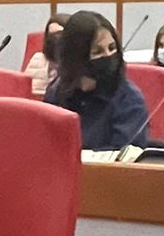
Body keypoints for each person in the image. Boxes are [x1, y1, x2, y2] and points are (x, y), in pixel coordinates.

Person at [45, 10, 149, 151]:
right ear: (76, 56)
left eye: (112, 48)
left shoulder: (129, 99)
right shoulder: (56, 93)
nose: (108, 56)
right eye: (97, 51)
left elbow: (125, 157)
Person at [25, 16, 65, 97]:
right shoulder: (37, 58)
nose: (55, 38)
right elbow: (26, 89)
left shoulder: (77, 62)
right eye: (51, 35)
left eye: (59, 34)